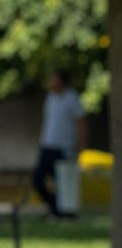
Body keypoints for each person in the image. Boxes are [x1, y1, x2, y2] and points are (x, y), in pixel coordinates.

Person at [34, 71, 85, 219]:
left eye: (54, 79)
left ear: (62, 81)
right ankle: (55, 209)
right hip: (47, 146)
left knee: (63, 182)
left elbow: (81, 123)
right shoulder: (50, 98)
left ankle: (65, 213)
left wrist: (80, 146)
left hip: (64, 148)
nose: (51, 82)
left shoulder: (71, 97)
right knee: (38, 179)